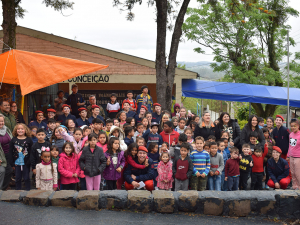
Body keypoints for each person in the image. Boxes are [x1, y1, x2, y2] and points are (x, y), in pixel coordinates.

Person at [10, 123, 33, 191]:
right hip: (17, 163)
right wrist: (12, 163)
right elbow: (10, 151)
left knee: (26, 178)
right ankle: (18, 191)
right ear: (16, 130)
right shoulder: (13, 140)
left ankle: (28, 191)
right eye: (18, 129)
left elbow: (31, 151)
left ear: (25, 130)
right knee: (18, 178)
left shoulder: (29, 140)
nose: (20, 130)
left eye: (22, 129)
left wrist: (29, 162)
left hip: (26, 163)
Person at [0, 114, 13, 190]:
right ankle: (2, 188)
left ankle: (4, 188)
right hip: (1, 156)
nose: (1, 123)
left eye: (2, 121)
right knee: (7, 170)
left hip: (9, 154)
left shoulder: (6, 129)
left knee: (10, 170)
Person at [287, 119, 300, 190]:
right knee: (293, 173)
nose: (293, 127)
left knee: (298, 174)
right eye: (291, 126)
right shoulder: (290, 134)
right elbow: (290, 146)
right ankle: (294, 186)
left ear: (298, 126)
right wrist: (288, 155)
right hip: (291, 156)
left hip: (298, 157)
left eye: (295, 126)